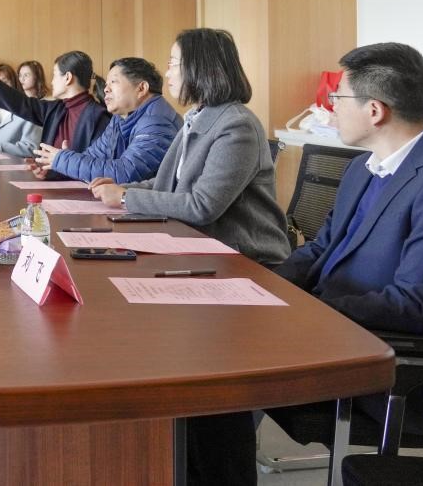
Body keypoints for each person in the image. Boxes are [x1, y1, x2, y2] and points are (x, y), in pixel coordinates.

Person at [89, 30, 289, 486]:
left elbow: (201, 206)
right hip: (200, 255)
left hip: (245, 266)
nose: (168, 72)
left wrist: (127, 199)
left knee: (200, 378)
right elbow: (166, 187)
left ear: (201, 69)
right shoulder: (197, 118)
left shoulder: (236, 125)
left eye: (174, 63)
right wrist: (118, 190)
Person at [275, 43, 423, 431]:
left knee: (220, 367)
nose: (330, 109)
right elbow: (322, 248)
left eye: (337, 98)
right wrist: (267, 287)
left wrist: (311, 311)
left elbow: (417, 304)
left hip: (385, 356)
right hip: (334, 328)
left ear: (374, 111)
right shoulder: (361, 168)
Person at [0, 56, 179, 184]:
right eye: (107, 83)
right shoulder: (120, 118)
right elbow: (93, 156)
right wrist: (55, 167)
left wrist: (63, 160)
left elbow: (125, 172)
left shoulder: (156, 122)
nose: (106, 88)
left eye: (114, 82)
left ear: (142, 88)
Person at [0, 52, 111, 171]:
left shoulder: (99, 116)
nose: (52, 82)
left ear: (68, 77)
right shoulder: (57, 108)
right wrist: (46, 170)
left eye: (54, 75)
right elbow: (22, 104)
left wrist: (60, 165)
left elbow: (96, 167)